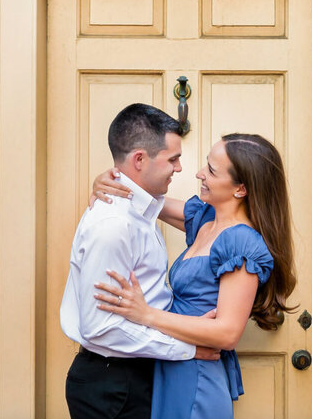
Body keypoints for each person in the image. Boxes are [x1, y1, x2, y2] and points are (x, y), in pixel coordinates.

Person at [90, 133, 296, 419]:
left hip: (197, 374)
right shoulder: (205, 219)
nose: (199, 173)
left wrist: (146, 314)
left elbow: (227, 333)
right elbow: (145, 199)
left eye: (211, 170)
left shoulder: (241, 242)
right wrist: (108, 181)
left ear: (241, 189)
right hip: (173, 365)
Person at [60, 103, 219, 419]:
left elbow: (214, 220)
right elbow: (100, 328)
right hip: (114, 386)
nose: (179, 169)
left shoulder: (142, 210)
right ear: (139, 160)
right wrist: (185, 350)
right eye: (173, 159)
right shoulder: (114, 225)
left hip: (138, 374)